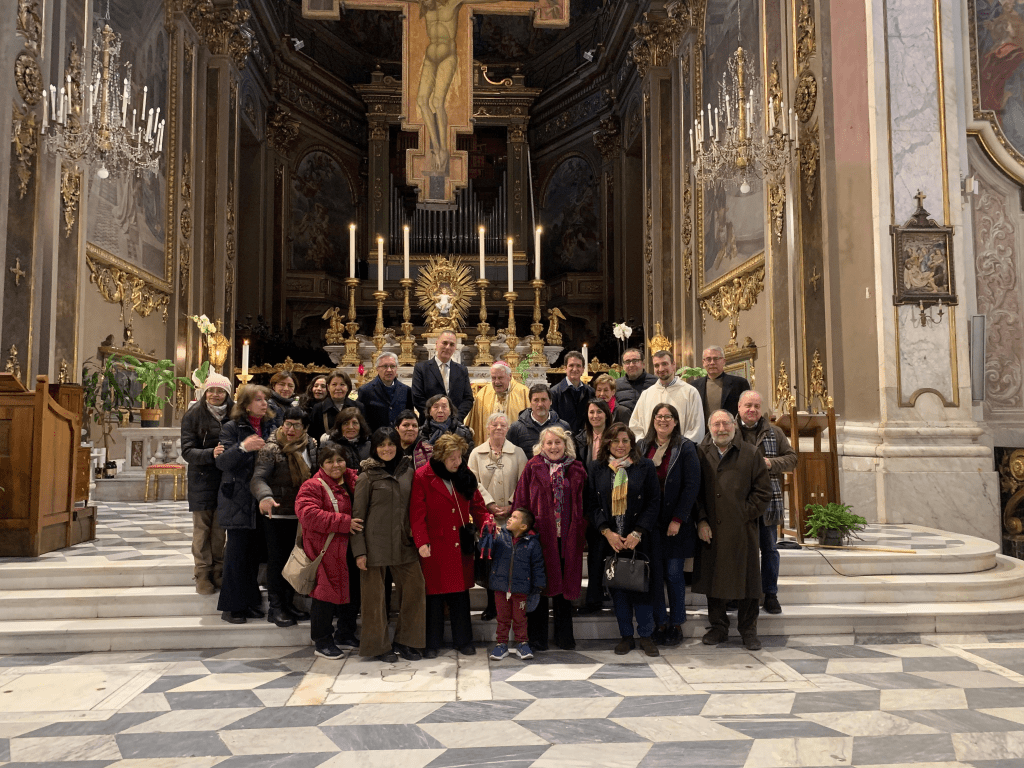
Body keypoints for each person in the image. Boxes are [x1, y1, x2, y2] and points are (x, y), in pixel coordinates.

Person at [693, 409, 773, 651]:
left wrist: (743, 514)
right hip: (711, 529)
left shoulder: (750, 452)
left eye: (725, 424)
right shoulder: (700, 452)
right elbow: (694, 492)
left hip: (743, 529)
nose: (721, 429)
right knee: (714, 580)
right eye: (716, 425)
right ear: (709, 428)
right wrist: (702, 521)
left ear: (734, 426)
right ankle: (718, 627)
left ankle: (748, 630)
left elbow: (763, 491)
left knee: (748, 582)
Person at [409, 433, 489, 657]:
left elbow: (478, 506)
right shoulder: (423, 476)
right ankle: (432, 642)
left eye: (459, 457)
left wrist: (486, 527)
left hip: (460, 544)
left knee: (460, 595)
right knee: (433, 596)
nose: (457, 462)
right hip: (435, 544)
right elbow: (417, 513)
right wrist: (421, 541)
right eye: (452, 458)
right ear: (440, 457)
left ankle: (463, 640)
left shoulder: (465, 474)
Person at [352, 428, 426, 663]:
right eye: (381, 445)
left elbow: (416, 508)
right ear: (374, 448)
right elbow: (357, 517)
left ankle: (408, 641)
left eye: (391, 444)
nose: (387, 449)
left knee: (415, 589)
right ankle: (377, 646)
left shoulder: (409, 473)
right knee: (374, 599)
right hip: (375, 546)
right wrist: (359, 551)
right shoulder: (366, 477)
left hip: (405, 542)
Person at [512, 425, 588, 651]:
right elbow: (521, 500)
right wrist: (522, 531)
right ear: (541, 445)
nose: (553, 447)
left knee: (564, 587)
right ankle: (538, 638)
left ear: (566, 445)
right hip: (540, 538)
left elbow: (585, 504)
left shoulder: (577, 469)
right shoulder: (532, 467)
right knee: (540, 587)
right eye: (549, 443)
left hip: (568, 538)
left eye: (558, 443)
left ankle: (565, 636)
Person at [589, 423, 662, 656]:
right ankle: (626, 637)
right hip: (610, 541)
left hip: (639, 540)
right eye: (615, 441)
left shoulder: (645, 466)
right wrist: (607, 532)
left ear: (632, 443)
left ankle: (647, 636)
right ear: (607, 443)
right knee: (618, 589)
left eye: (625, 441)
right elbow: (591, 504)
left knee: (642, 588)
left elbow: (653, 502)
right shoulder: (597, 468)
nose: (621, 445)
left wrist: (637, 532)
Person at [637, 403, 700, 646]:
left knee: (674, 574)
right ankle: (659, 621)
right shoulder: (643, 446)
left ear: (675, 421)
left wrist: (678, 519)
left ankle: (676, 623)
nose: (663, 420)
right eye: (659, 416)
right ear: (653, 420)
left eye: (668, 417)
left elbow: (691, 486)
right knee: (655, 575)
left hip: (676, 522)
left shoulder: (685, 447)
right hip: (650, 522)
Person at [250, 407, 318, 628]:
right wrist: (265, 496)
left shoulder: (312, 446)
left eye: (296, 425)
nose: (290, 429)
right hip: (277, 514)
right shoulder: (271, 448)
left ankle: (289, 604)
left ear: (305, 428)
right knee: (277, 561)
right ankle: (276, 607)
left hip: (302, 516)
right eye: (287, 424)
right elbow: (258, 478)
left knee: (294, 561)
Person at [294, 443, 361, 659]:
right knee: (324, 596)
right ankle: (322, 640)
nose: (336, 465)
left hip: (350, 548)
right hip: (324, 550)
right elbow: (308, 514)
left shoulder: (355, 480)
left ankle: (345, 633)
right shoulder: (313, 486)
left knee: (352, 593)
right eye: (330, 461)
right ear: (322, 464)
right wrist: (344, 522)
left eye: (339, 460)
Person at [216, 384, 275, 624]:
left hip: (262, 496)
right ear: (246, 404)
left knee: (254, 553)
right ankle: (232, 607)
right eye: (259, 400)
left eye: (266, 400)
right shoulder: (232, 428)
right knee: (237, 553)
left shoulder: (272, 426)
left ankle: (250, 602)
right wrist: (243, 447)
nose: (264, 404)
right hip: (238, 497)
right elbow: (222, 462)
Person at [736, 390, 797, 615]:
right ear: (739, 407)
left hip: (768, 503)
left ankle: (770, 593)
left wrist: (770, 463)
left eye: (756, 406)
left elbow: (792, 459)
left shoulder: (775, 432)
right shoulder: (728, 430)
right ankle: (738, 593)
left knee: (769, 549)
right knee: (739, 551)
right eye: (748, 405)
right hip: (738, 503)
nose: (752, 410)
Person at [467, 412, 528, 620]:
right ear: (487, 428)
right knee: (490, 565)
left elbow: (523, 481)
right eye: (494, 425)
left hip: (512, 518)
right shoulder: (476, 453)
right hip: (487, 518)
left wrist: (511, 503)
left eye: (502, 425)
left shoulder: (518, 452)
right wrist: (489, 504)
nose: (498, 428)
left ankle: (511, 605)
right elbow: (472, 482)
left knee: (510, 563)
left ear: (507, 428)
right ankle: (492, 605)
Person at [180, 373, 234, 595]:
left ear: (227, 393)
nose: (215, 395)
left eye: (220, 391)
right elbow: (186, 451)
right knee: (202, 529)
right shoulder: (193, 414)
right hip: (202, 478)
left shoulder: (235, 413)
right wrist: (211, 453)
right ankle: (202, 573)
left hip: (226, 478)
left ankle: (219, 571)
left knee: (220, 529)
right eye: (211, 390)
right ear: (204, 392)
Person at [482, 507, 546, 662]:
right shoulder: (500, 537)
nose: (510, 519)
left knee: (520, 618)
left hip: (521, 588)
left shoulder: (532, 543)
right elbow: (485, 550)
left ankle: (522, 643)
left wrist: (539, 584)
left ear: (524, 526)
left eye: (515, 517)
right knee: (502, 618)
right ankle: (501, 644)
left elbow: (538, 565)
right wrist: (487, 534)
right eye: (510, 516)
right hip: (500, 587)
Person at [574, 397, 613, 616]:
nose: (595, 416)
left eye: (599, 412)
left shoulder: (616, 437)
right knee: (595, 552)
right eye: (591, 412)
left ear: (606, 414)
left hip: (610, 501)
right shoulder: (581, 438)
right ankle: (594, 598)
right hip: (587, 501)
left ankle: (608, 593)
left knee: (604, 550)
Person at [629, 350, 705, 443]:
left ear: (673, 365)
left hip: (680, 452)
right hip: (651, 453)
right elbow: (635, 426)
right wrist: (645, 446)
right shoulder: (646, 394)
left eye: (664, 364)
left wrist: (681, 449)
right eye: (656, 365)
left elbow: (696, 428)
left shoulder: (690, 392)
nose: (660, 369)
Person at [412, 330, 474, 421]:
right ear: (436, 344)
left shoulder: (462, 370)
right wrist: (434, 417)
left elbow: (468, 399)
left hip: (454, 425)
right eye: (444, 343)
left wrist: (455, 418)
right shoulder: (421, 368)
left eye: (452, 344)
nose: (448, 347)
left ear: (455, 348)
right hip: (428, 424)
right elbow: (417, 397)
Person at [465, 360, 529, 445]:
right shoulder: (483, 394)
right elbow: (474, 423)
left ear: (510, 376)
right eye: (493, 378)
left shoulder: (523, 393)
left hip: (515, 447)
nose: (497, 382)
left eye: (500, 378)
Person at [507, 384, 571, 454]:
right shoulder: (516, 429)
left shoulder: (563, 427)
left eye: (543, 400)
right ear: (530, 403)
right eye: (536, 400)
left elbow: (569, 454)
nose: (540, 404)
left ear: (550, 401)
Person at [359, 352, 414, 433]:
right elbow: (361, 419)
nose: (389, 370)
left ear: (396, 368)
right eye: (385, 366)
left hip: (399, 438)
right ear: (377, 368)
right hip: (376, 439)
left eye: (392, 366)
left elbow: (409, 417)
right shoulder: (365, 391)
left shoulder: (406, 390)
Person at [691, 345, 751, 419]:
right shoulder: (694, 386)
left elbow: (747, 409)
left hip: (731, 429)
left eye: (716, 359)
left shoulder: (739, 383)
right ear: (703, 362)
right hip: (704, 430)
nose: (712, 362)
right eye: (708, 359)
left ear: (724, 361)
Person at [309, 371, 364, 442]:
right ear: (328, 387)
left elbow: (364, 432)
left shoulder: (358, 407)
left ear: (348, 387)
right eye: (334, 384)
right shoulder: (318, 408)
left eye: (342, 384)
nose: (338, 388)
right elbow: (313, 435)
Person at [549, 351, 595, 434]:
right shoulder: (554, 392)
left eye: (578, 366)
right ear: (565, 368)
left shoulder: (590, 392)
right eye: (571, 365)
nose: (575, 369)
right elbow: (552, 422)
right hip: (564, 439)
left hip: (585, 440)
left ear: (583, 369)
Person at [614, 347, 658, 417]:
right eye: (627, 362)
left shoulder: (656, 383)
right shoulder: (616, 385)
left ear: (643, 363)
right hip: (624, 426)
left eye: (635, 361)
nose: (631, 365)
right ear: (623, 366)